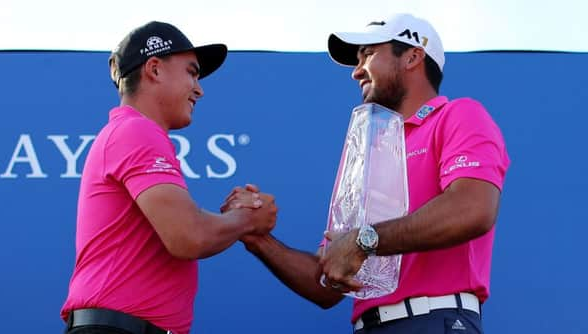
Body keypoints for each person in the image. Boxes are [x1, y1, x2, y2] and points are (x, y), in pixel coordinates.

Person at [224, 13, 510, 334]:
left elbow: (472, 209)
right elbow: (327, 283)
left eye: (369, 54)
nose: (356, 71)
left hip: (435, 319)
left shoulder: (458, 115)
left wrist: (364, 241)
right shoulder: (366, 154)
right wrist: (254, 236)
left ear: (413, 56)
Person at [60, 21, 278, 334]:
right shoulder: (137, 130)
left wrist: (232, 220)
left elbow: (188, 227)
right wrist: (248, 218)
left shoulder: (132, 132)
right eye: (192, 72)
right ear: (154, 69)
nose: (200, 89)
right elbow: (189, 235)